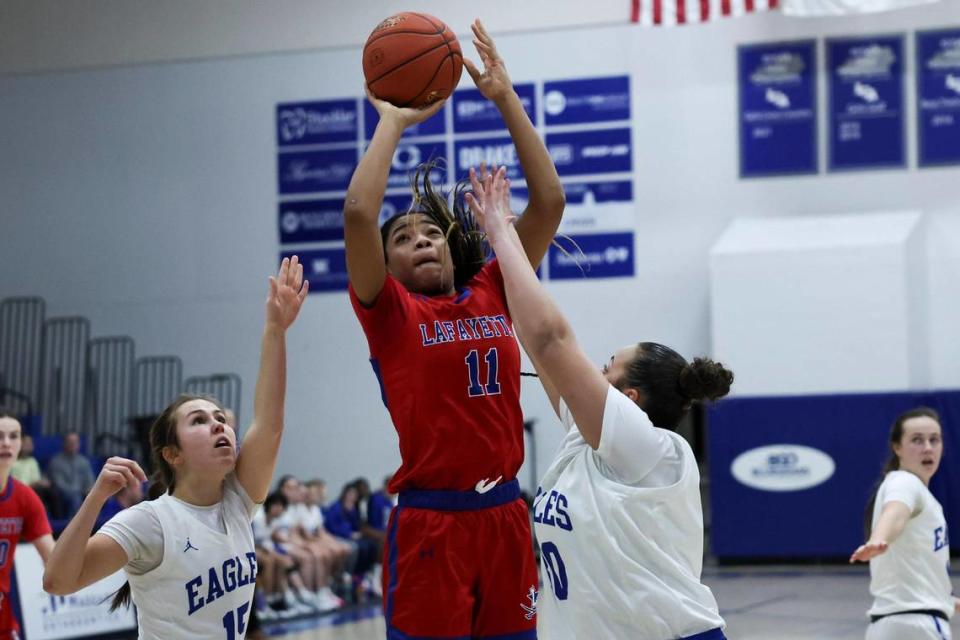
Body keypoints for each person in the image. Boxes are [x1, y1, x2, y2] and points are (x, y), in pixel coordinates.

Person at [344, 18, 564, 639]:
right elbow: (360, 213)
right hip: (431, 524)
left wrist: (504, 98)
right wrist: (392, 120)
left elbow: (548, 203)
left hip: (504, 517)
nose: (421, 242)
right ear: (386, 267)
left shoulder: (494, 286)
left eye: (431, 232)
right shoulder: (389, 314)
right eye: (404, 239)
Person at [465, 167, 733, 639]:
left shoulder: (647, 448)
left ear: (630, 400)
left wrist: (502, 233)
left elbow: (550, 340)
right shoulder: (585, 442)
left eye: (607, 365)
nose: (591, 369)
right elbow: (533, 337)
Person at [42, 256, 308, 640]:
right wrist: (97, 497)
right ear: (172, 453)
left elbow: (270, 423)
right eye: (199, 421)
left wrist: (276, 330)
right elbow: (57, 582)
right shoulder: (151, 522)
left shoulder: (237, 500)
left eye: (219, 417)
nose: (218, 423)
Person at [850, 407, 958, 640]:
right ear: (896, 447)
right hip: (919, 625)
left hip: (887, 627)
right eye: (917, 440)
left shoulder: (908, 487)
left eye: (934, 440)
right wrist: (880, 539)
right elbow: (895, 512)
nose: (928, 447)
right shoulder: (905, 483)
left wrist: (947, 600)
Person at [0, 412, 55, 640]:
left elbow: (54, 560)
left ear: (21, 444)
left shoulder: (25, 498)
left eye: (13, 436)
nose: (6, 443)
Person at [46, 430, 95, 518]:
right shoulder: (56, 462)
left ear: (79, 444)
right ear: (64, 444)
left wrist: (90, 491)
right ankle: (75, 527)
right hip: (62, 496)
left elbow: (90, 482)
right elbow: (59, 485)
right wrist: (77, 492)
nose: (73, 444)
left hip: (81, 494)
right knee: (75, 497)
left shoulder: (84, 462)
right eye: (70, 442)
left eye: (75, 442)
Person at [12, 433, 57, 513]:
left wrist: (43, 482)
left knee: (52, 491)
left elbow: (37, 479)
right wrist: (34, 484)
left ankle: (58, 522)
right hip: (18, 491)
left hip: (34, 489)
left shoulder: (33, 461)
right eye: (26, 444)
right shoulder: (12, 462)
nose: (28, 446)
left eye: (30, 444)